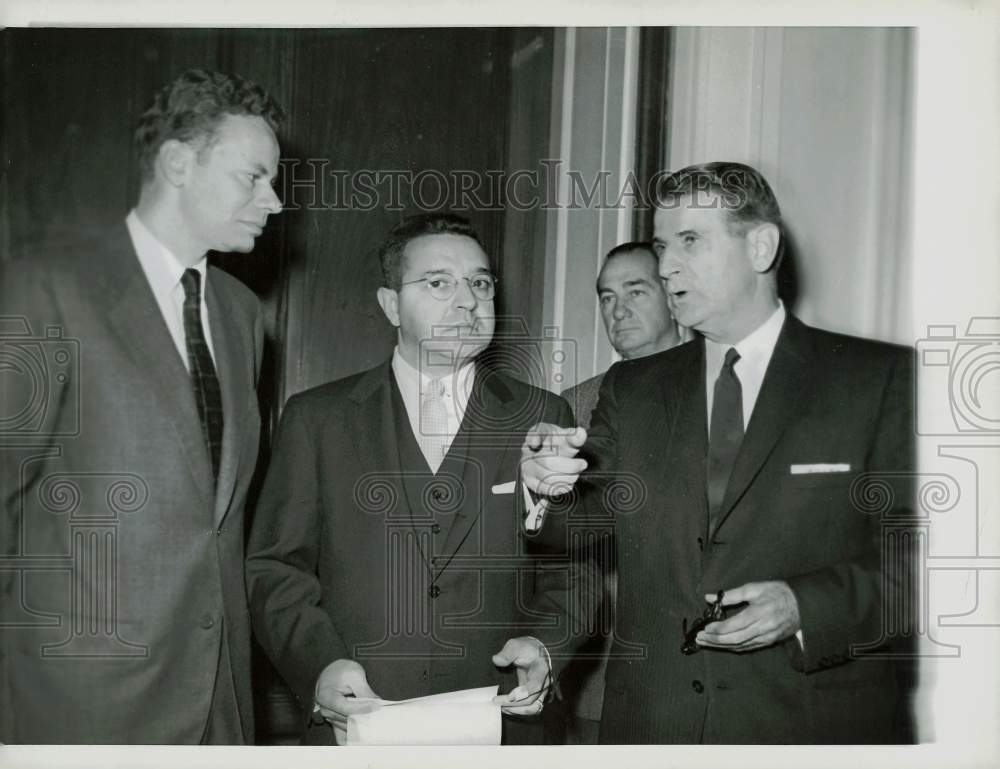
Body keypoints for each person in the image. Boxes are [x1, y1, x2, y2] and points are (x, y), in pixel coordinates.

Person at [518, 161, 915, 743]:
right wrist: (545, 487)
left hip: (809, 726)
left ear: (760, 246)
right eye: (662, 246)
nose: (667, 265)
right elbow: (579, 526)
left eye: (691, 242)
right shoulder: (632, 388)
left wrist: (806, 605)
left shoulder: (878, 380)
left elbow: (927, 565)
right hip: (651, 728)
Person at [0, 69, 284, 744]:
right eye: (254, 176)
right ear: (178, 163)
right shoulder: (49, 289)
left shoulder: (243, 315)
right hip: (81, 706)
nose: (273, 201)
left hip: (219, 704)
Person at [245, 213, 573, 745]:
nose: (467, 300)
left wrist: (548, 646)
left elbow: (575, 563)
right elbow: (275, 568)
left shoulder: (542, 416)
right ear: (391, 304)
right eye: (440, 282)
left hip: (500, 721)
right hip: (358, 721)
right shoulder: (317, 418)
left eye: (480, 283)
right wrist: (319, 666)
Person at [557, 241, 681, 743]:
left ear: (674, 295)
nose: (618, 310)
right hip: (605, 661)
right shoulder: (576, 405)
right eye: (606, 297)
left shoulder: (723, 388)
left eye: (636, 291)